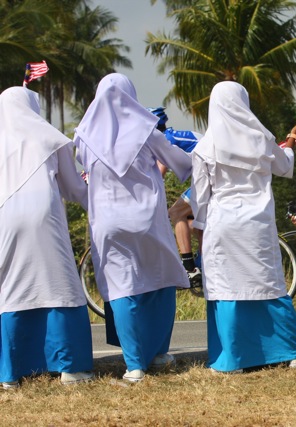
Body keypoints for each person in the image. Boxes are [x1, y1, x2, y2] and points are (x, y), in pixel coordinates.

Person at [190, 81, 296, 373]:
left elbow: (199, 199)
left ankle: (231, 360)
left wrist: (199, 233)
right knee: (268, 284)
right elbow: (284, 165)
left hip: (221, 224)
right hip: (256, 225)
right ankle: (290, 351)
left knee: (227, 288)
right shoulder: (261, 139)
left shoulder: (204, 148)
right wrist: (291, 139)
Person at [74, 73, 193, 382]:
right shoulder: (146, 131)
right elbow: (181, 161)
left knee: (121, 287)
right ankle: (158, 354)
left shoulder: (84, 135)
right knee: (159, 280)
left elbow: (85, 171)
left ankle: (134, 366)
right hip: (146, 220)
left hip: (107, 223)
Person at [0, 86, 94, 388]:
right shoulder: (50, 139)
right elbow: (74, 189)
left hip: (5, 217)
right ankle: (70, 368)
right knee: (59, 284)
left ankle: (11, 374)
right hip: (44, 216)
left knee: (12, 288)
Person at [147, 107, 203, 282]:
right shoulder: (174, 135)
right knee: (193, 224)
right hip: (212, 177)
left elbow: (158, 174)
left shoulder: (166, 140)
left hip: (208, 179)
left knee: (175, 212)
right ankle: (203, 262)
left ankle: (189, 268)